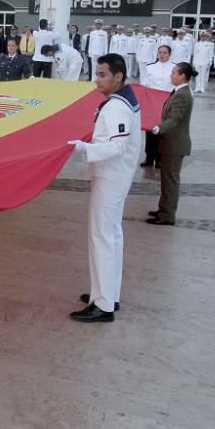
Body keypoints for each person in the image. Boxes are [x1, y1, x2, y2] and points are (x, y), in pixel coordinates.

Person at [66, 53, 140, 323]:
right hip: (115, 176)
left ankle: (103, 305)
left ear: (118, 77)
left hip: (111, 178)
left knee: (101, 237)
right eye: (97, 74)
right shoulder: (122, 100)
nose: (96, 79)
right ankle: (107, 293)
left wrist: (83, 148)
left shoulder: (117, 107)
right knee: (112, 235)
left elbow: (117, 146)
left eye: (102, 75)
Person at [147, 62, 195, 226]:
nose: (171, 75)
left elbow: (175, 119)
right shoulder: (178, 91)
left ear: (182, 76)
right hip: (170, 142)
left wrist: (158, 129)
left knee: (170, 181)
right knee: (166, 179)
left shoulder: (182, 94)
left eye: (174, 73)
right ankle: (163, 209)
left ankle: (167, 215)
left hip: (175, 143)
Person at [140, 45, 175, 168]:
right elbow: (144, 84)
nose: (162, 55)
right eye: (160, 52)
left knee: (163, 131)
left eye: (165, 52)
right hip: (152, 102)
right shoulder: (150, 67)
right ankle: (149, 157)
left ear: (169, 54)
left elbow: (175, 86)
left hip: (167, 103)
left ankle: (160, 158)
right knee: (151, 131)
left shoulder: (174, 68)